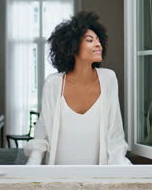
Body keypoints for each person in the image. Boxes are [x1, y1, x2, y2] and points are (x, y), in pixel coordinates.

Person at [24, 11, 131, 165]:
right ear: (72, 47)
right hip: (58, 177)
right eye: (90, 40)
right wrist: (31, 169)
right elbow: (42, 132)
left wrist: (126, 170)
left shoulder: (108, 79)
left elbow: (115, 135)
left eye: (98, 39)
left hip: (96, 178)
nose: (98, 44)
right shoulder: (53, 84)